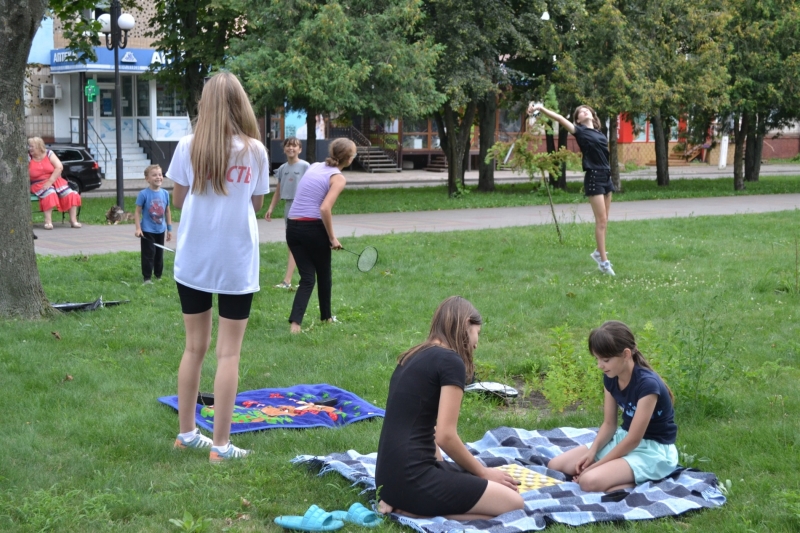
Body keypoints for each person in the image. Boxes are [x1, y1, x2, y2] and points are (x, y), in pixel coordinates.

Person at [166, 72, 269, 463]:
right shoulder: (255, 151)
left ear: (204, 104)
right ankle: (221, 446)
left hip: (193, 258)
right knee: (228, 354)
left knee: (194, 348)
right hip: (236, 261)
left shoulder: (187, 146)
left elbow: (177, 200)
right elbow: (256, 205)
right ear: (240, 103)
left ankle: (188, 434)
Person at [375, 296, 524, 520]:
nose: (477, 343)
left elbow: (427, 427)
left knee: (477, 480)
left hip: (387, 481)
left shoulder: (413, 355)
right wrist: (482, 471)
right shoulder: (450, 362)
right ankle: (412, 512)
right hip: (412, 480)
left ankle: (407, 504)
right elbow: (445, 436)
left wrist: (447, 473)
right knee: (514, 503)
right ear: (466, 325)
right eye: (478, 333)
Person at [548, 321, 678, 493]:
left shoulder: (647, 386)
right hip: (623, 439)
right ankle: (613, 476)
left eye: (606, 360)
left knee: (587, 481)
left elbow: (634, 439)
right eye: (597, 359)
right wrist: (592, 452)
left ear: (625, 354)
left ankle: (637, 482)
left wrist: (595, 466)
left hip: (653, 450)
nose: (600, 365)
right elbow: (609, 424)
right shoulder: (611, 377)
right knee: (556, 465)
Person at [528, 103, 615, 275]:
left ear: (592, 114)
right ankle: (604, 263)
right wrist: (541, 108)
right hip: (594, 177)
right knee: (601, 220)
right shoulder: (579, 131)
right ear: (578, 120)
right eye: (580, 112)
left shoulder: (599, 132)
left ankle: (599, 252)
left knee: (605, 221)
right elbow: (560, 119)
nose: (584, 111)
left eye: (586, 110)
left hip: (606, 176)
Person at [285, 138, 355, 333]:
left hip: (292, 227)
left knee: (307, 278)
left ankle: (295, 324)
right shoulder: (338, 177)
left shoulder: (315, 166)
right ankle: (326, 318)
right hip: (312, 228)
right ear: (348, 159)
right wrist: (332, 238)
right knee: (324, 274)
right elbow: (324, 208)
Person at [264, 137, 310, 289]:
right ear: (284, 149)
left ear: (300, 149)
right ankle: (298, 277)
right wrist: (271, 207)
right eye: (288, 146)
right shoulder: (283, 168)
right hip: (288, 207)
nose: (291, 148)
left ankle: (288, 280)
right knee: (293, 244)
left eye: (294, 146)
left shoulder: (305, 166)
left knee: (295, 243)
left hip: (301, 207)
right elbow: (278, 190)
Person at [27, 137, 82, 229]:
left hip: (55, 180)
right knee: (50, 193)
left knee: (71, 194)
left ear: (39, 146)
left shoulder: (49, 153)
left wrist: (50, 181)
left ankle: (73, 221)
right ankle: (48, 222)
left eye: (32, 146)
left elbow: (59, 167)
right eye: (29, 146)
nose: (29, 148)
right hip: (38, 183)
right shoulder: (28, 157)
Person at [134, 164, 173, 284]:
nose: (158, 177)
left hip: (160, 230)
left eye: (160, 174)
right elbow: (137, 212)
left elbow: (167, 211)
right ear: (147, 179)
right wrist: (138, 228)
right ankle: (147, 278)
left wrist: (169, 229)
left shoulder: (165, 193)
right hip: (147, 231)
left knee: (159, 254)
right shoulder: (143, 194)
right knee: (148, 254)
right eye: (154, 175)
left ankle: (158, 275)